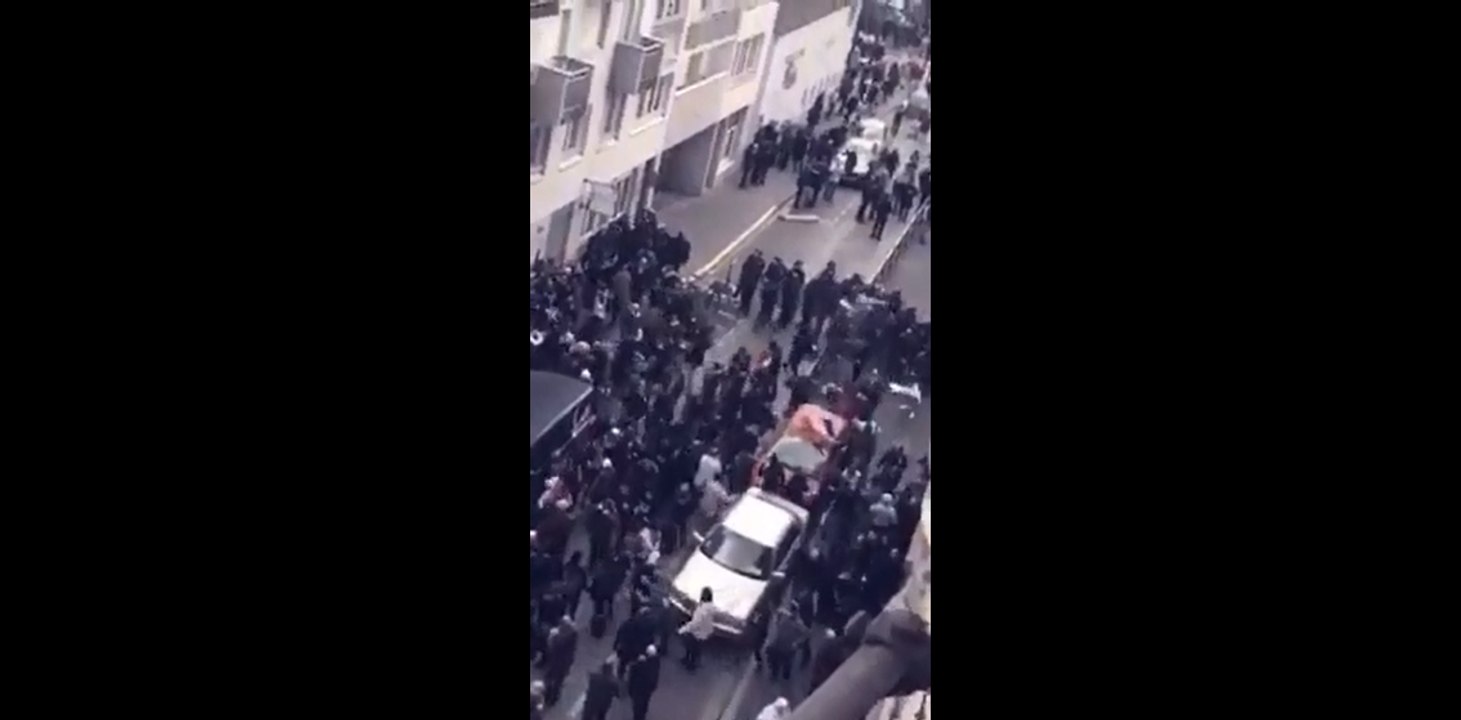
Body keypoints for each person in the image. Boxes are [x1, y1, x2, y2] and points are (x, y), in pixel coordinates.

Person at [762, 603, 810, 682]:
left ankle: (785, 675)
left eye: (794, 611)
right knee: (774, 660)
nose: (792, 613)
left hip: (788, 647)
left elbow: (807, 634)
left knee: (787, 664)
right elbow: (777, 612)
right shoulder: (784, 616)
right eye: (792, 610)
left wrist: (797, 643)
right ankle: (774, 674)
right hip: (778, 643)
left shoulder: (798, 624)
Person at [677, 587, 717, 671]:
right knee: (696, 649)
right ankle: (691, 662)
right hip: (704, 632)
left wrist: (683, 629)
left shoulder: (702, 610)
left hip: (697, 632)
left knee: (691, 647)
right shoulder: (711, 607)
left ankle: (690, 664)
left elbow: (695, 623)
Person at [542, 615, 578, 706]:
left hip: (554, 661)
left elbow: (550, 647)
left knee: (549, 679)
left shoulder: (556, 635)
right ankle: (553, 698)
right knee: (558, 682)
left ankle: (547, 696)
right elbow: (572, 650)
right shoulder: (572, 634)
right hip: (564, 663)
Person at [626, 645, 661, 720]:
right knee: (645, 703)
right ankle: (642, 716)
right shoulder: (655, 662)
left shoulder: (639, 665)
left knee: (637, 706)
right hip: (647, 689)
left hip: (638, 688)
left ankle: (637, 717)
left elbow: (633, 675)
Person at [736, 250, 766, 316]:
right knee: (744, 295)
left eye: (756, 253)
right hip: (748, 281)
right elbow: (744, 267)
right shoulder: (751, 258)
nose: (754, 253)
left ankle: (745, 310)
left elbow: (758, 272)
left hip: (751, 282)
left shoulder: (759, 262)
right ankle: (742, 308)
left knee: (748, 297)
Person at [778, 260, 805, 330]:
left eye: (800, 265)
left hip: (793, 297)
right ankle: (781, 326)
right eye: (798, 265)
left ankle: (783, 326)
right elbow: (784, 283)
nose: (799, 267)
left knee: (789, 312)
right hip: (788, 296)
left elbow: (800, 287)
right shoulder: (790, 273)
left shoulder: (801, 275)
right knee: (785, 312)